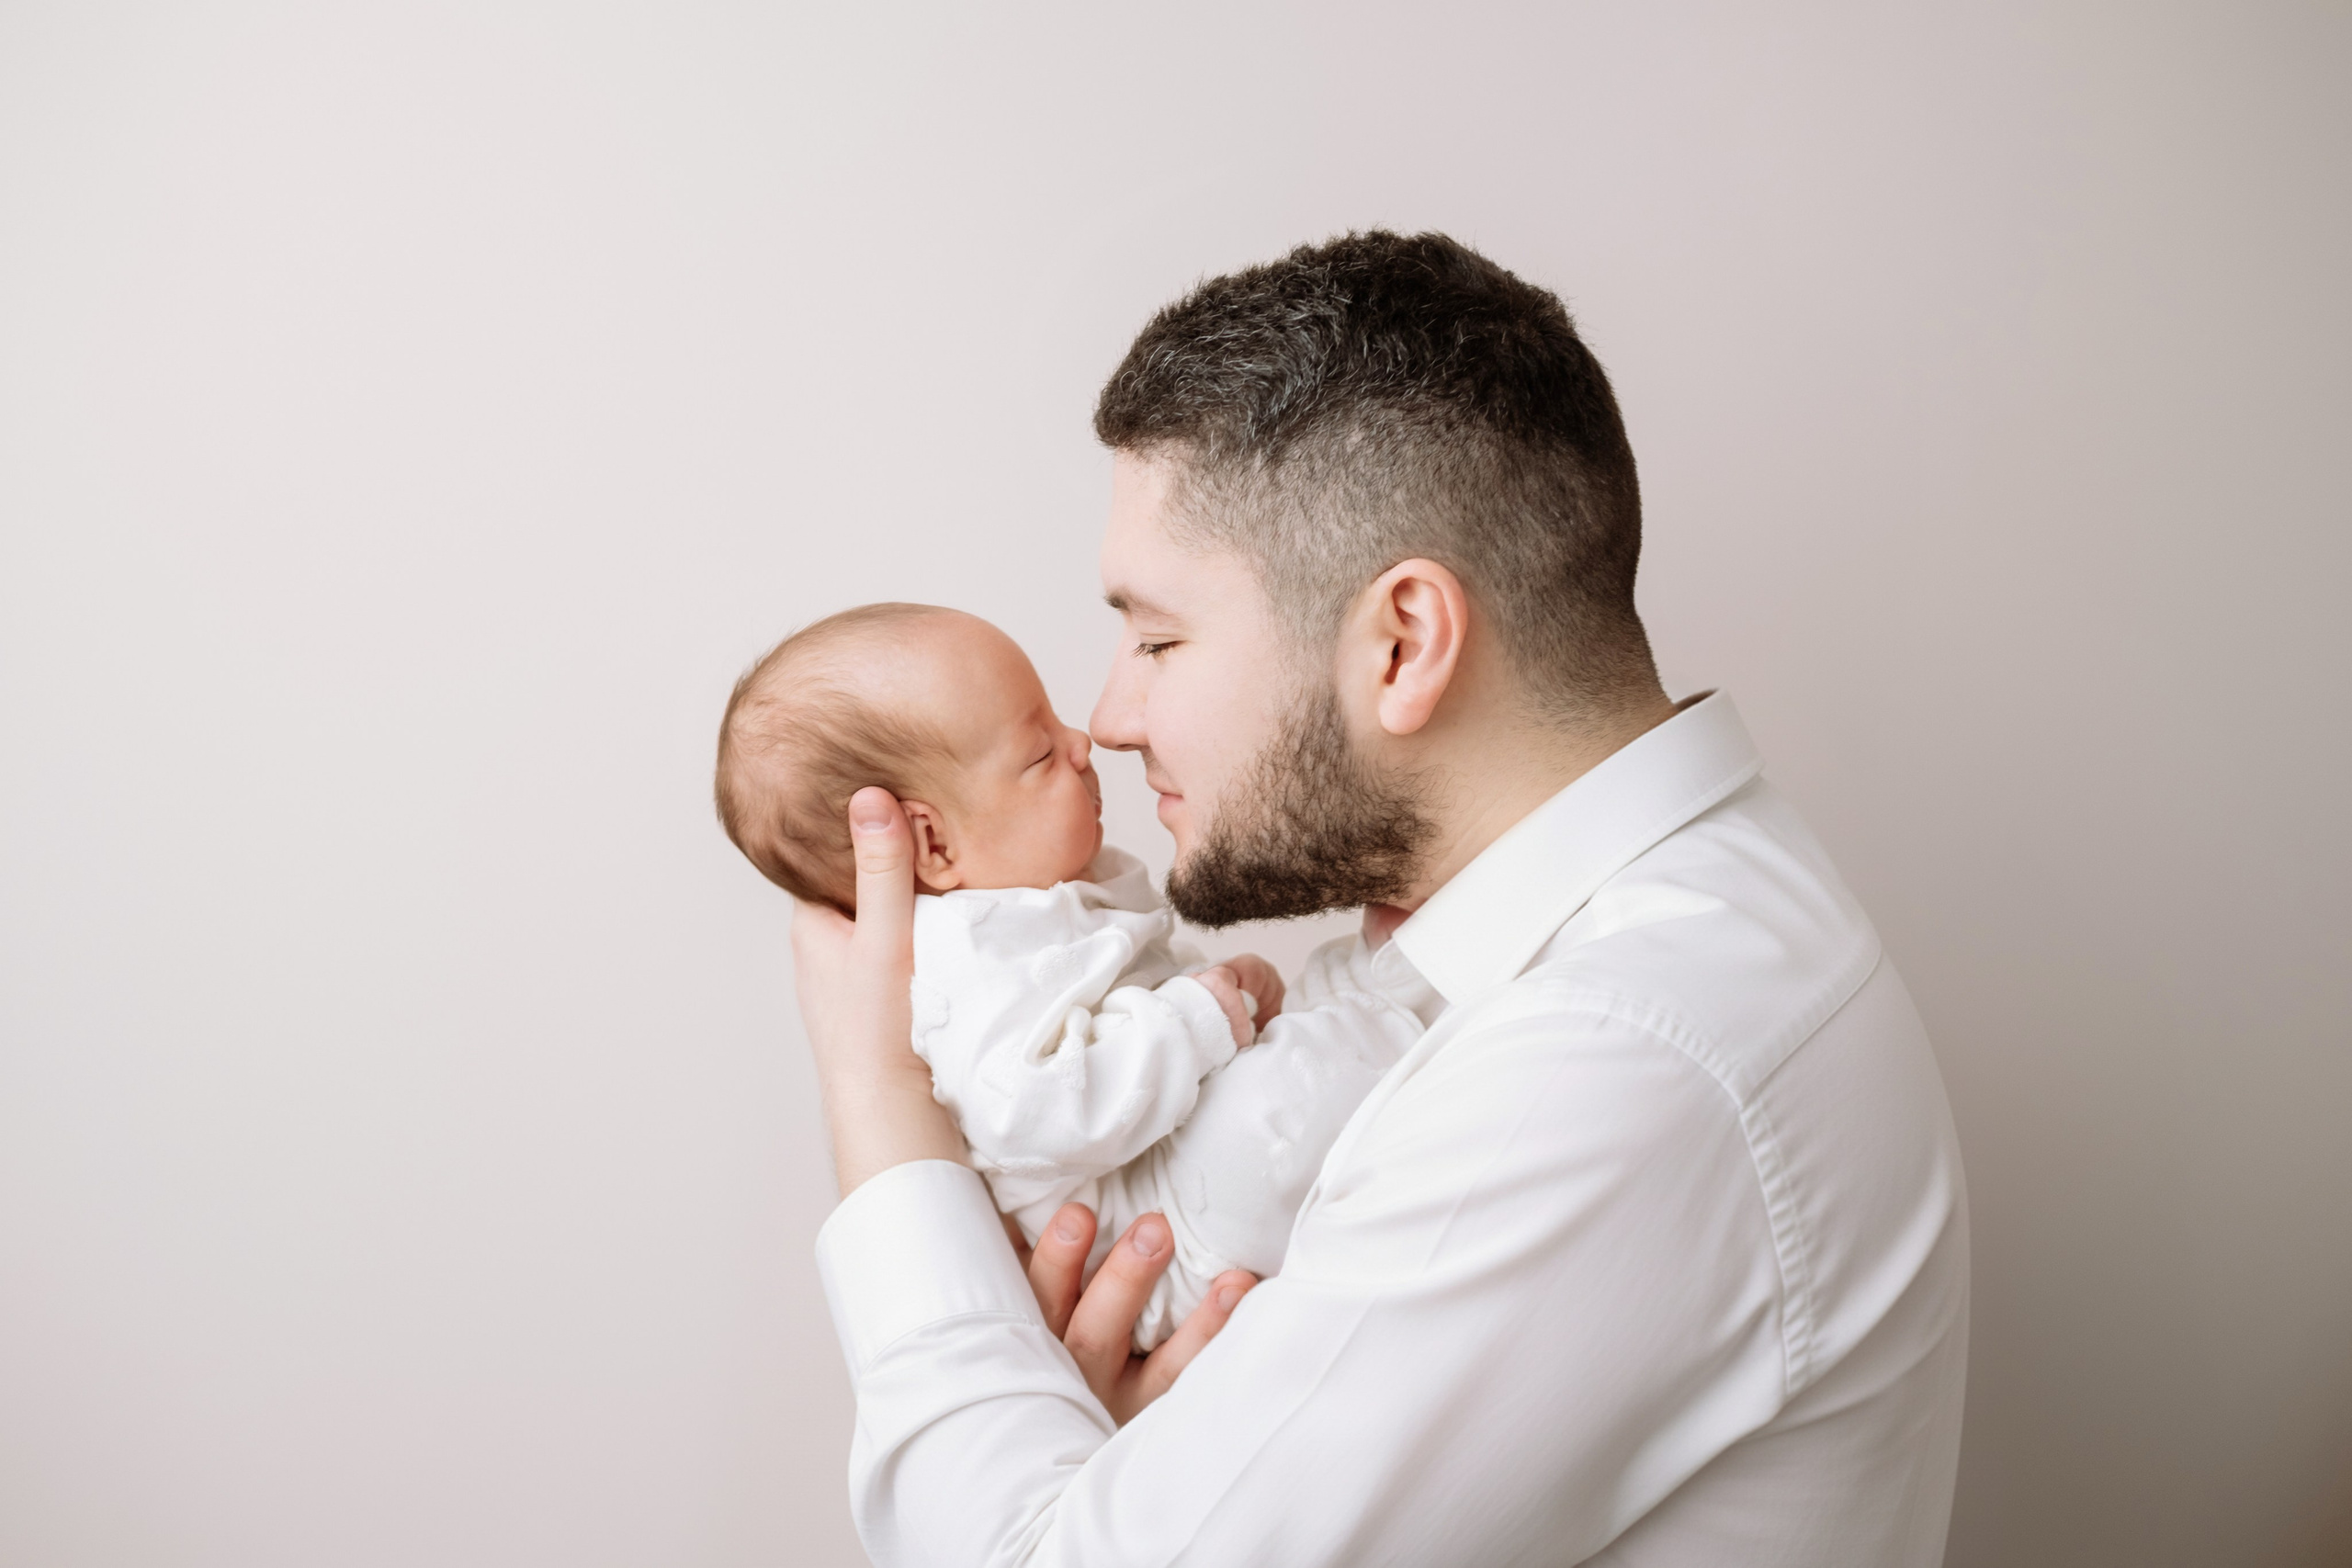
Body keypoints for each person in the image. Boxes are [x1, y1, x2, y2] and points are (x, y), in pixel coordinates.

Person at [790, 231, 1970, 1566]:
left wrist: (884, 1118)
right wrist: (1135, 1455)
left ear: (1402, 641)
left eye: (1161, 637)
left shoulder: (1610, 1066)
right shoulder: (1628, 944)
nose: (1112, 716)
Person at [712, 603, 1429, 1349]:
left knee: (1332, 993)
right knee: (1287, 1097)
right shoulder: (968, 963)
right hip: (1158, 1231)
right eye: (1039, 754)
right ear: (931, 841)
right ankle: (1400, 1028)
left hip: (1177, 1147)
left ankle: (1390, 1004)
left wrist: (1219, 998)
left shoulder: (1045, 896)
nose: (1083, 742)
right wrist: (1197, 1016)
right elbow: (1038, 1107)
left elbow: (1128, 998)